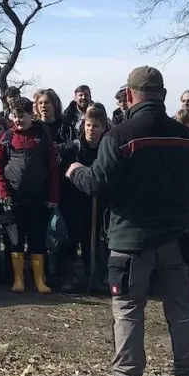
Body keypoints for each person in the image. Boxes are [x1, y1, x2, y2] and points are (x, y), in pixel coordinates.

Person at [66, 67, 189, 376]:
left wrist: (76, 172)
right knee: (183, 312)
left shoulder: (119, 137)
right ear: (163, 95)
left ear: (130, 96)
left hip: (130, 240)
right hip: (177, 239)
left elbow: (98, 183)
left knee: (128, 312)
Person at [0, 98, 59, 294]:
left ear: (32, 115)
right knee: (16, 239)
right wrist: (3, 192)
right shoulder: (7, 137)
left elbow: (53, 168)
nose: (18, 120)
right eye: (15, 116)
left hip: (39, 198)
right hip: (14, 199)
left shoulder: (42, 136)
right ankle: (18, 279)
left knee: (38, 239)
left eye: (22, 116)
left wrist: (54, 196)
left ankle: (39, 280)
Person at [60, 105, 112, 295]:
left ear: (103, 127)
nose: (91, 129)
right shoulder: (73, 147)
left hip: (99, 203)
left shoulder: (107, 148)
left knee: (95, 243)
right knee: (71, 240)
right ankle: (70, 278)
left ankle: (95, 278)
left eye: (95, 126)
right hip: (74, 202)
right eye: (88, 125)